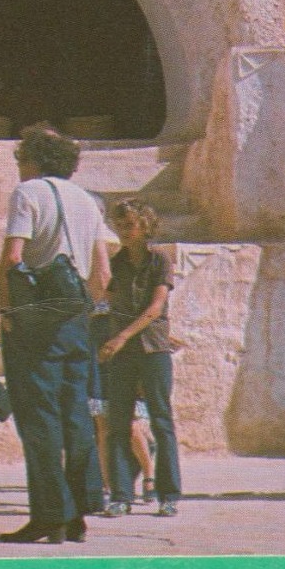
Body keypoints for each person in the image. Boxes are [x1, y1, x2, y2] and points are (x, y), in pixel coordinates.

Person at [0, 124, 113, 544]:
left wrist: (7, 312)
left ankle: (49, 515)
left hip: (36, 322)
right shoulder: (88, 201)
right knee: (75, 414)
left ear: (33, 159)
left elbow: (13, 258)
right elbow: (103, 272)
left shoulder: (27, 193)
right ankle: (80, 510)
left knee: (38, 417)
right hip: (76, 320)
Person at [99, 197, 182, 517]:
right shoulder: (118, 263)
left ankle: (168, 494)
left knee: (161, 421)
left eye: (130, 225)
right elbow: (108, 300)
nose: (124, 231)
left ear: (145, 227)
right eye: (120, 225)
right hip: (123, 352)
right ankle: (121, 495)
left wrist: (120, 336)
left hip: (152, 348)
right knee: (118, 422)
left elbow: (155, 308)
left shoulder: (159, 260)